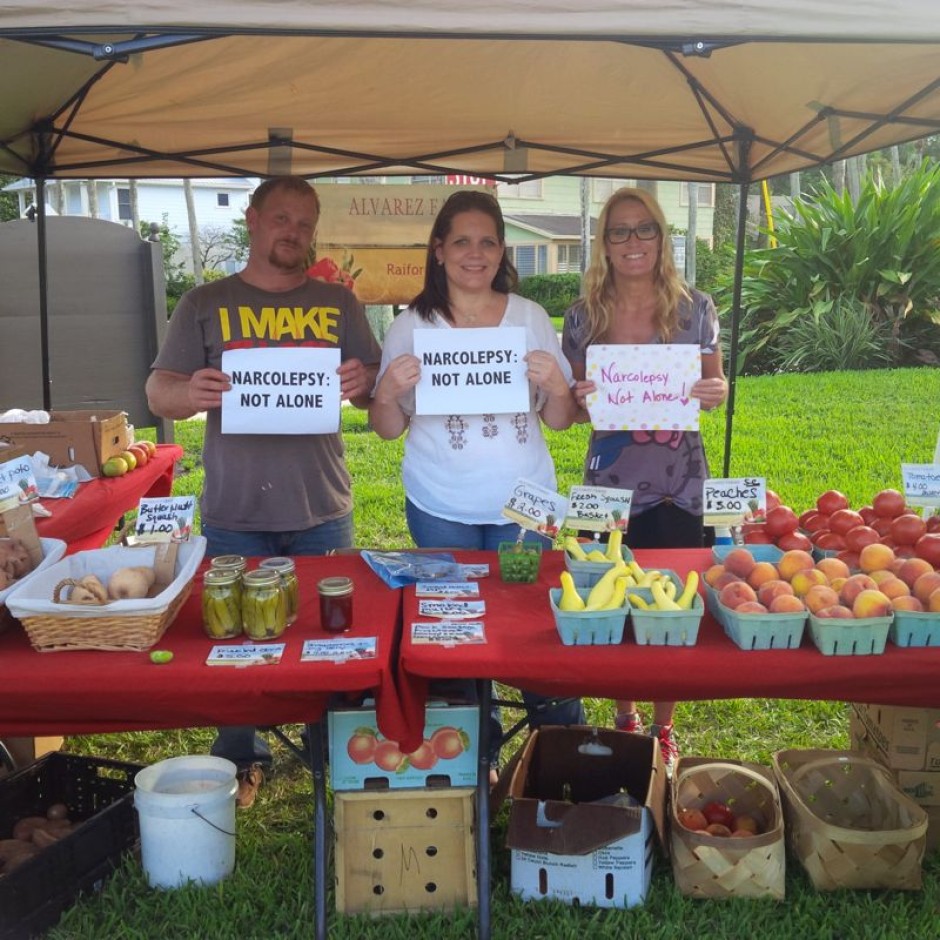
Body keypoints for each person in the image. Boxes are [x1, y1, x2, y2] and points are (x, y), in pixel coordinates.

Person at [146, 176, 381, 806]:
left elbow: (376, 385)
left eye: (305, 223)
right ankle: (242, 756)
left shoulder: (339, 303)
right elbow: (157, 389)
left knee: (329, 638)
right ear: (252, 220)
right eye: (281, 219)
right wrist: (186, 393)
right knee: (236, 641)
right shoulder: (204, 302)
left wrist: (365, 379)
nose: (293, 233)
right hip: (236, 505)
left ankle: (335, 746)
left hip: (320, 503)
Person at [369, 190, 586, 774]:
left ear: (501, 252)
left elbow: (560, 420)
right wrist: (387, 392)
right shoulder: (412, 325)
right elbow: (387, 429)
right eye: (461, 240)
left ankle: (561, 745)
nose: (475, 253)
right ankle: (476, 749)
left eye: (487, 241)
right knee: (456, 628)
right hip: (441, 503)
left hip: (526, 505)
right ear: (438, 249)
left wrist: (559, 388)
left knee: (534, 621)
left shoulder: (531, 317)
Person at [562, 186, 728, 773]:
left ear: (663, 237)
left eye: (644, 229)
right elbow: (577, 410)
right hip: (607, 483)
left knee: (672, 608)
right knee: (608, 602)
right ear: (603, 245)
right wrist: (579, 396)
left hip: (679, 483)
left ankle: (663, 727)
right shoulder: (582, 316)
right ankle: (625, 716)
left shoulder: (696, 308)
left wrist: (714, 392)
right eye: (619, 232)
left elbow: (717, 388)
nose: (633, 242)